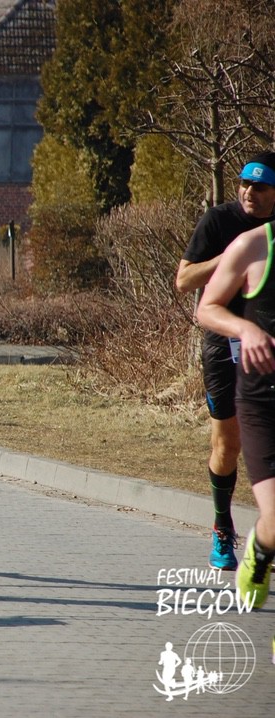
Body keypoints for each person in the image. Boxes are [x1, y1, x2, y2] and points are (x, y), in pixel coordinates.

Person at [177, 151, 275, 570]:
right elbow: (184, 280)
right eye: (244, 184)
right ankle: (222, 526)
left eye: (260, 187)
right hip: (224, 345)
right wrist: (231, 256)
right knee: (228, 444)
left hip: (268, 348)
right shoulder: (218, 222)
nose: (249, 192)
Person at [196, 214, 275, 622]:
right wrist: (247, 330)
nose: (250, 191)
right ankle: (252, 543)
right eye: (245, 184)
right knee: (274, 520)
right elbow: (203, 303)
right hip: (261, 397)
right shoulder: (250, 242)